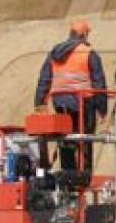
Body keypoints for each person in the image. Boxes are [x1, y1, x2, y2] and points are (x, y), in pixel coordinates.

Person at [34, 20, 108, 173]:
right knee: (85, 138)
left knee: (65, 137)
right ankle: (84, 175)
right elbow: (98, 82)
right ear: (84, 34)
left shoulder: (55, 53)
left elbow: (44, 78)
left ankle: (67, 175)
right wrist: (102, 109)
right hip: (83, 102)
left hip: (60, 102)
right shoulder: (89, 53)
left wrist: (40, 102)